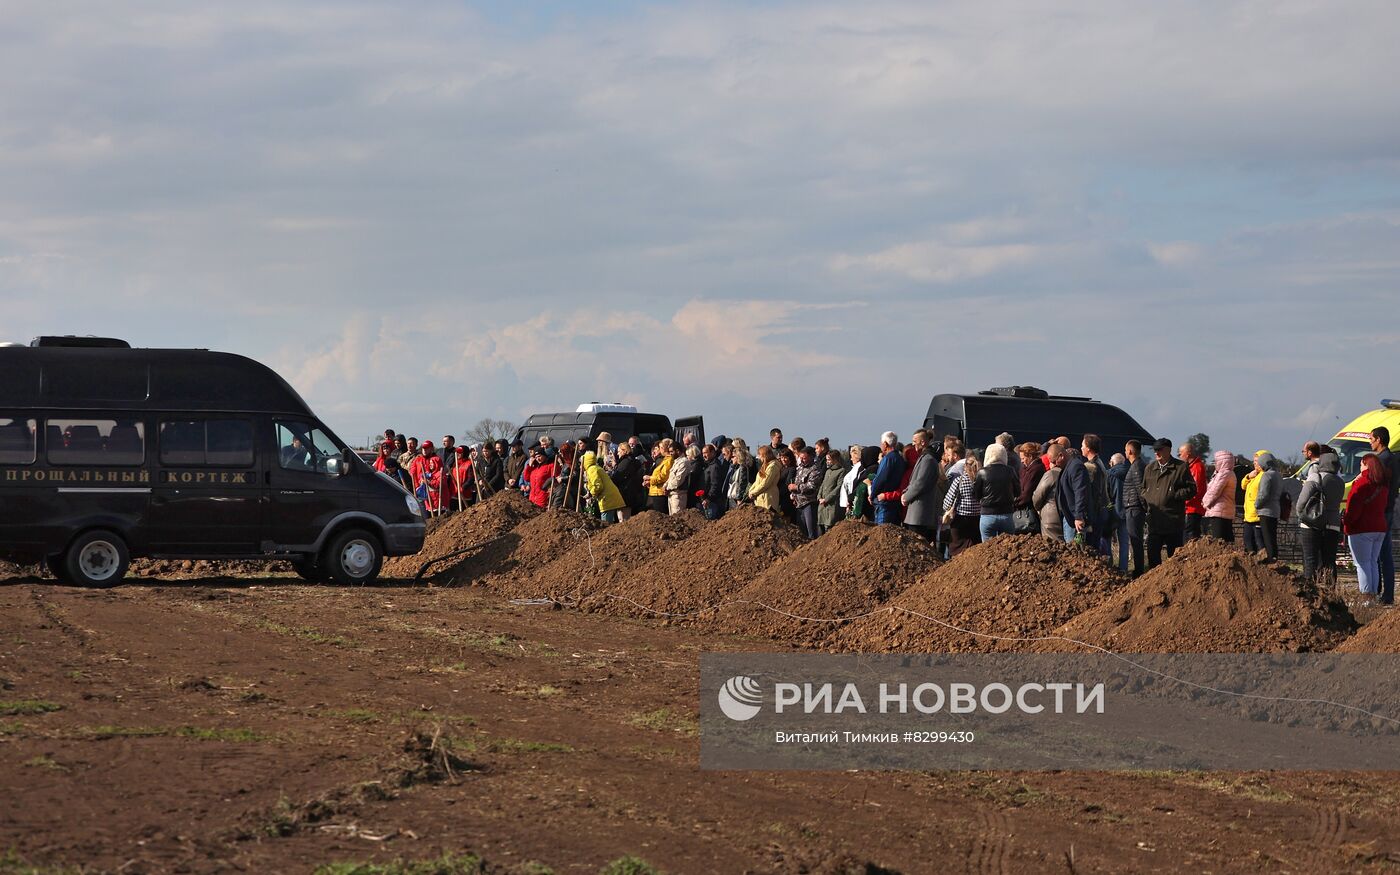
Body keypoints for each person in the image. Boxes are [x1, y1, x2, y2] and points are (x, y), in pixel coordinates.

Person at [1141, 438, 1196, 568]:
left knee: (1175, 558)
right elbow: (1142, 488)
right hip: (1154, 519)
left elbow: (1192, 489)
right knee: (1153, 556)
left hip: (1173, 520)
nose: (1156, 453)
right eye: (1155, 450)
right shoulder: (1150, 468)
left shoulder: (1180, 467)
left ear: (1168, 450)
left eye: (1159, 450)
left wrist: (1174, 495)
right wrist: (1147, 500)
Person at [1345, 453, 1390, 606]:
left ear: (1366, 465)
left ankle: (1366, 597)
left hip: (1362, 528)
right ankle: (1373, 595)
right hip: (1379, 527)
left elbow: (1353, 507)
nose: (1359, 466)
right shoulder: (1383, 486)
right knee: (1372, 562)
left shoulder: (1362, 483)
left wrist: (1347, 523)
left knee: (1362, 564)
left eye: (1361, 464)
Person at [1296, 450, 1344, 583]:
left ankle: (1311, 592)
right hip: (1333, 525)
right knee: (1329, 562)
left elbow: (1301, 502)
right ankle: (1330, 593)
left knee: (1310, 560)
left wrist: (1301, 516)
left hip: (1312, 522)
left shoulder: (1315, 477)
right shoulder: (1340, 482)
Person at [1370, 427, 1398, 605]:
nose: (1370, 442)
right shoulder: (1392, 458)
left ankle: (1385, 594)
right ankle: (1385, 593)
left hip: (1382, 509)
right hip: (1388, 507)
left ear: (1379, 440)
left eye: (1371, 439)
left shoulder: (1382, 460)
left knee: (1381, 553)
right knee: (1382, 553)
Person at [973, 443, 1017, 541]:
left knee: (987, 549)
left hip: (987, 515)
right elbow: (1018, 491)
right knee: (1008, 548)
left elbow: (976, 494)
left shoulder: (982, 472)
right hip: (1007, 514)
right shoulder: (1011, 471)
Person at [901, 430, 940, 540]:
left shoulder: (928, 459)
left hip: (920, 514)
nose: (913, 444)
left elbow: (920, 483)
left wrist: (906, 496)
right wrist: (906, 492)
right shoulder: (925, 457)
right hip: (917, 513)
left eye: (915, 441)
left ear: (922, 442)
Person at [941, 452, 981, 555]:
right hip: (977, 519)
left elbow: (947, 502)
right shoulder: (981, 480)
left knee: (957, 550)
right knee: (975, 549)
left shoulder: (959, 480)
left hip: (960, 519)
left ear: (965, 467)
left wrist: (946, 509)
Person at [1055, 440, 1091, 545]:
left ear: (1062, 456)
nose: (1054, 464)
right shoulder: (1067, 468)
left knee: (1074, 548)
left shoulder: (1076, 467)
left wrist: (1078, 516)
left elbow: (1080, 492)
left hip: (1074, 517)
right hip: (1070, 516)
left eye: (1054, 461)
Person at [1121, 440, 1147, 576]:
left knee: (1136, 540)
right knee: (1135, 539)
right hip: (1134, 507)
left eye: (1126, 450)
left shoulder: (1136, 467)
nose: (1125, 452)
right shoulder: (1138, 465)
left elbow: (1140, 489)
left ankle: (1138, 571)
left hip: (1134, 508)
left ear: (1130, 451)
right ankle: (1139, 569)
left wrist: (1144, 507)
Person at [870, 431, 907, 525]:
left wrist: (872, 494)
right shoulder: (900, 458)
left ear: (885, 444)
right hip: (895, 501)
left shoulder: (888, 459)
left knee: (882, 533)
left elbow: (880, 479)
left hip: (884, 503)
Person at [1201, 450, 1237, 542]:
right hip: (1226, 510)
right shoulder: (1230, 473)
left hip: (1219, 510)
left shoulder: (1223, 474)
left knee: (1218, 539)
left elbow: (1214, 490)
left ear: (1222, 462)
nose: (1215, 464)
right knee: (1228, 537)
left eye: (1216, 461)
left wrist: (1205, 502)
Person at [582, 451, 628, 522]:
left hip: (607, 499)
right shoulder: (596, 467)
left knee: (606, 523)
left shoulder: (591, 469)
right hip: (610, 497)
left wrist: (591, 493)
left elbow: (598, 486)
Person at [1253, 451, 1282, 562]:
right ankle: (1274, 556)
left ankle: (1270, 558)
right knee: (1272, 536)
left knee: (1267, 536)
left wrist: (1256, 505)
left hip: (1266, 510)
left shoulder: (1267, 475)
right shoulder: (1278, 475)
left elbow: (1263, 494)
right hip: (1275, 509)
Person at [1034, 444, 1065, 542]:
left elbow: (1037, 496)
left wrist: (1037, 508)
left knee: (1052, 546)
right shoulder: (1068, 472)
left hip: (1050, 518)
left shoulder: (1051, 474)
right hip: (1064, 515)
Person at [790, 445, 822, 539]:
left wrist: (796, 487)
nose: (802, 460)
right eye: (801, 458)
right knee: (802, 532)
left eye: (805, 458)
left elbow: (812, 486)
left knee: (811, 532)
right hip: (798, 503)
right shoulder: (800, 468)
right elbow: (797, 481)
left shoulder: (815, 469)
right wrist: (793, 494)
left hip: (809, 503)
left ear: (811, 457)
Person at [1106, 452, 1129, 571]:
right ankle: (1123, 568)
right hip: (1127, 511)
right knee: (1124, 542)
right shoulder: (1130, 472)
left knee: (1107, 539)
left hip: (1113, 511)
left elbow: (1107, 493)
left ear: (1113, 462)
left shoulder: (1109, 473)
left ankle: (1109, 566)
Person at [1180, 442, 1208, 541]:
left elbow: (1196, 489)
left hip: (1192, 508)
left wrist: (1183, 500)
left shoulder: (1196, 467)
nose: (1179, 456)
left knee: (1189, 536)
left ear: (1187, 454)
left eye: (1180, 453)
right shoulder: (1192, 467)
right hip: (1191, 507)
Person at [817, 448, 849, 534]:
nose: (827, 461)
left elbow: (838, 487)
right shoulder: (828, 471)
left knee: (829, 527)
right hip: (822, 505)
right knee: (820, 528)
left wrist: (826, 499)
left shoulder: (841, 471)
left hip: (831, 505)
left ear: (835, 459)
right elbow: (823, 485)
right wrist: (819, 496)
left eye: (829, 459)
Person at [1240, 450, 1266, 554]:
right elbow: (1243, 486)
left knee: (1258, 542)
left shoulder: (1264, 475)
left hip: (1257, 514)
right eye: (1254, 461)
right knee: (1248, 540)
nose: (1254, 463)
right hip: (1249, 514)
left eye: (1257, 461)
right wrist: (1248, 477)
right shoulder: (1254, 474)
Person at [612, 442, 646, 515]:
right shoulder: (631, 460)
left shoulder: (625, 462)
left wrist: (614, 471)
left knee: (623, 518)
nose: (618, 454)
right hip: (630, 493)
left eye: (619, 451)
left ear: (624, 451)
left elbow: (617, 477)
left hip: (625, 493)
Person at [748, 445, 783, 511]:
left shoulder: (773, 466)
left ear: (764, 455)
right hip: (761, 497)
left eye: (760, 455)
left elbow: (766, 483)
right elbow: (757, 481)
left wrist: (754, 492)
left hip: (768, 498)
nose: (759, 457)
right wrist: (751, 491)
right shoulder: (765, 466)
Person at [665, 444, 697, 515]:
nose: (670, 454)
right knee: (672, 519)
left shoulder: (684, 462)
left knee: (678, 518)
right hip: (672, 494)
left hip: (679, 495)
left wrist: (667, 488)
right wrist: (665, 486)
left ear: (678, 451)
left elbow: (678, 480)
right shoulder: (676, 462)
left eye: (671, 451)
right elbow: (671, 478)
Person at [700, 443, 729, 521]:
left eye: (706, 453)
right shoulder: (709, 465)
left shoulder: (714, 467)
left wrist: (708, 498)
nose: (704, 455)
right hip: (709, 499)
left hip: (713, 501)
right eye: (703, 453)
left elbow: (715, 484)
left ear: (712, 453)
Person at [645, 438, 674, 514]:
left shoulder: (669, 460)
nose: (660, 450)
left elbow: (664, 476)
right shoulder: (664, 460)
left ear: (666, 448)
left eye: (661, 448)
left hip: (660, 493)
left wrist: (650, 479)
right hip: (655, 491)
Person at [724, 441, 753, 509]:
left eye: (733, 457)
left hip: (737, 500)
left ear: (738, 456)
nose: (731, 459)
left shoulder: (743, 468)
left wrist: (739, 498)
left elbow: (742, 483)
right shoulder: (736, 467)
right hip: (733, 498)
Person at [838, 444, 863, 518]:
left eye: (852, 457)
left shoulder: (859, 468)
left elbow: (853, 484)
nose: (851, 459)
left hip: (852, 502)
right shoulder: (854, 468)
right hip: (848, 501)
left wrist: (849, 501)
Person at [777, 448, 799, 523]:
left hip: (787, 500)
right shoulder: (781, 468)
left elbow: (788, 484)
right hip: (780, 498)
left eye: (785, 457)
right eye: (782, 457)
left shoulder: (792, 469)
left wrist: (778, 493)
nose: (783, 459)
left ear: (790, 458)